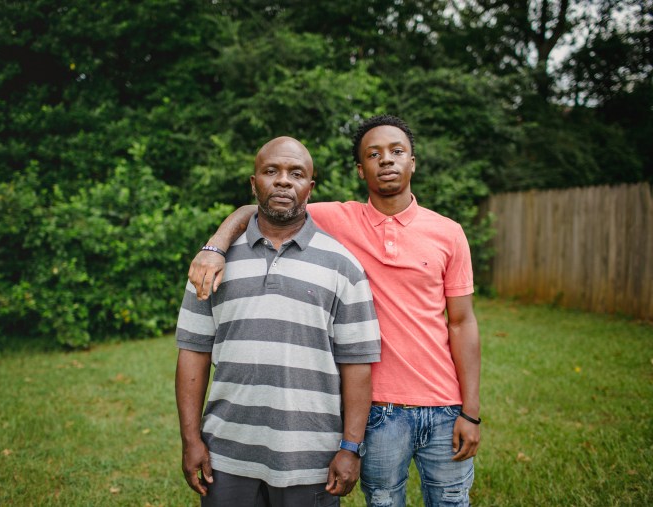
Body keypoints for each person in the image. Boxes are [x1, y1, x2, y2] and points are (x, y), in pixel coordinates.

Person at [188, 115, 481, 506]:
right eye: (374, 154)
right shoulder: (337, 219)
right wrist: (215, 245)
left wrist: (471, 411)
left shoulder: (448, 232)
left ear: (414, 162)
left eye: (397, 152)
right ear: (361, 170)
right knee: (383, 501)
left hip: (445, 404)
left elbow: (462, 323)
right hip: (380, 408)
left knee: (450, 500)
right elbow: (261, 206)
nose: (387, 160)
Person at [175, 136, 381, 507]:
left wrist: (350, 447)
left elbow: (358, 365)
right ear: (254, 184)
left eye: (295, 173)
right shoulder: (210, 264)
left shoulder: (343, 266)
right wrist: (191, 440)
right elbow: (193, 353)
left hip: (311, 457)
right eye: (271, 171)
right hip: (226, 455)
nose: (283, 181)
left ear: (310, 188)